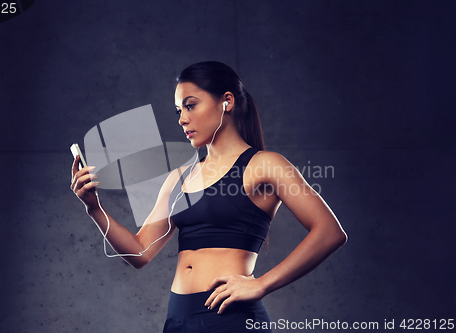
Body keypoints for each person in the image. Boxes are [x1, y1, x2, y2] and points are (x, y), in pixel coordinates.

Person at [70, 61, 347, 332]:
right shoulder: (179, 177)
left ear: (226, 101)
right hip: (178, 320)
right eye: (178, 110)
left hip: (230, 320)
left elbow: (330, 231)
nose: (182, 119)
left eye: (190, 105)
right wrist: (95, 208)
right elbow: (140, 251)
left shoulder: (265, 164)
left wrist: (261, 284)